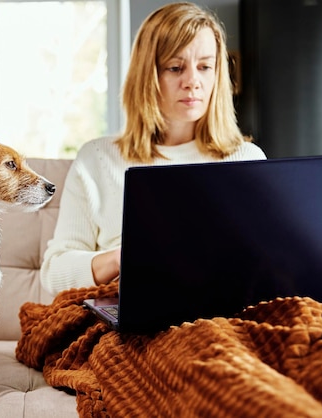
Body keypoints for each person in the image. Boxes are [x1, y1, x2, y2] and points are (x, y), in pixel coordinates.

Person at [40, 2, 267, 295]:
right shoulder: (97, 159)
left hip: (227, 313)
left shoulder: (247, 160)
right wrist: (121, 258)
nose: (193, 82)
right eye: (176, 68)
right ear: (147, 76)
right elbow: (53, 272)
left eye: (205, 67)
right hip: (137, 319)